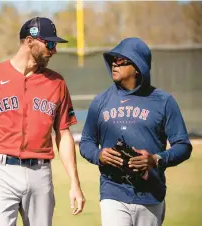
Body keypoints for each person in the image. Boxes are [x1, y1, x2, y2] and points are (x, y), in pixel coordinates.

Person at [0, 17, 85, 226]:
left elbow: (64, 134)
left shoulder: (57, 83)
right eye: (49, 43)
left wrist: (75, 183)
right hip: (2, 173)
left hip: (40, 173)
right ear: (30, 41)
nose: (54, 49)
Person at [79, 37, 192, 226]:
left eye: (122, 60)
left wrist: (155, 159)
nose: (115, 63)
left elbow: (183, 146)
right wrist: (99, 155)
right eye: (113, 59)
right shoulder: (100, 102)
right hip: (112, 192)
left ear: (138, 67)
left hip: (151, 194)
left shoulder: (164, 101)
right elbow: (86, 142)